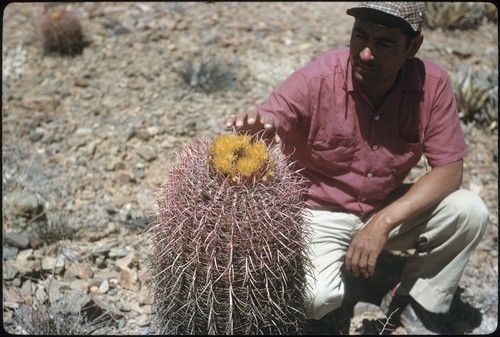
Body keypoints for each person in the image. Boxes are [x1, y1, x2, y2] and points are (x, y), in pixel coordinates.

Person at [225, 1, 490, 334]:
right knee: (315, 298)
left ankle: (413, 301)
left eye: (384, 43)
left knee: (469, 212)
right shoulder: (318, 77)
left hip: (384, 203)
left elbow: (450, 170)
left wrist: (381, 223)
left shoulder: (432, 85)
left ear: (414, 46)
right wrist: (262, 131)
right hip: (317, 210)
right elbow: (273, 116)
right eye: (360, 36)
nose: (365, 53)